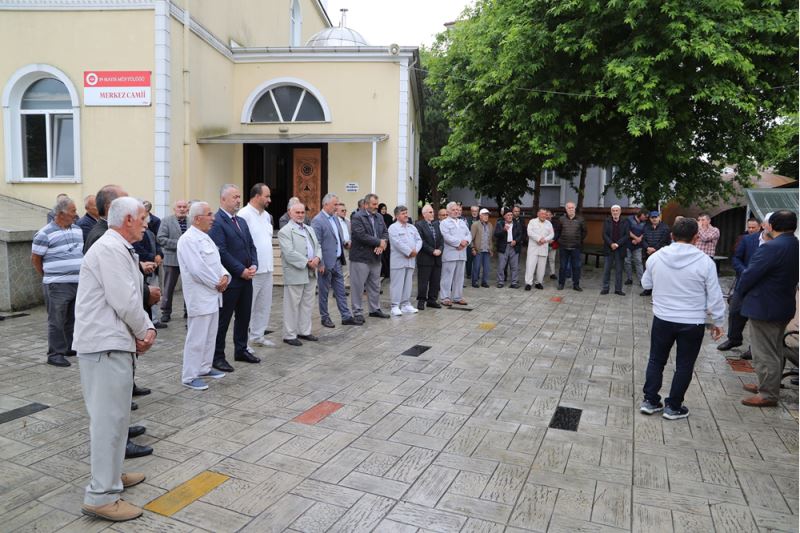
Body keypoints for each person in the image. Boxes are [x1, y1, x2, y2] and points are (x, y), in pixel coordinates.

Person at [74, 197, 156, 522]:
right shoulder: (109, 249)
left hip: (112, 344)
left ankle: (111, 477)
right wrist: (146, 329)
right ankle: (101, 496)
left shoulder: (119, 247)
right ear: (126, 221)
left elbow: (131, 294)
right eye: (142, 218)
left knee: (118, 419)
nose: (146, 223)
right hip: (104, 346)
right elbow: (125, 300)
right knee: (108, 422)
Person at [639, 217, 725, 420]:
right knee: (684, 365)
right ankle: (673, 406)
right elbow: (715, 295)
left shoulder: (656, 258)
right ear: (696, 238)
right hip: (692, 321)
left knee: (656, 360)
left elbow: (646, 284)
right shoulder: (705, 262)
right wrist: (718, 321)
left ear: (671, 235)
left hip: (663, 318)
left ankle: (650, 401)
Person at [737, 210, 799, 407]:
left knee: (764, 352)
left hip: (765, 306)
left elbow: (749, 275)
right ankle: (768, 385)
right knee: (775, 348)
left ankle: (768, 394)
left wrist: (740, 293)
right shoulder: (794, 244)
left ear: (770, 226)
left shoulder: (771, 247)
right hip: (782, 304)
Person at [177, 202, 229, 390]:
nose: (213, 218)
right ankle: (189, 375)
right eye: (209, 214)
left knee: (209, 335)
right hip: (200, 296)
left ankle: (204, 368)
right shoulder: (188, 239)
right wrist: (217, 282)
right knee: (197, 337)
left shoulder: (205, 238)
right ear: (198, 218)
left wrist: (225, 276)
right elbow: (197, 269)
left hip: (213, 295)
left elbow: (216, 263)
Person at [209, 184, 259, 371]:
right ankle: (217, 356)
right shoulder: (217, 222)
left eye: (239, 197)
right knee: (224, 320)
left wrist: (254, 265)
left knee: (244, 317)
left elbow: (251, 246)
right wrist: (240, 270)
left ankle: (241, 349)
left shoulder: (241, 221)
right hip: (231, 279)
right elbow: (221, 251)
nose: (238, 200)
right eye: (234, 197)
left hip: (247, 278)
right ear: (223, 199)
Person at [31, 196, 83, 367]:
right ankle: (54, 354)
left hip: (77, 282)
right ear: (61, 213)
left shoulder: (77, 229)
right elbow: (36, 259)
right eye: (73, 211)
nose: (76, 215)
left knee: (72, 317)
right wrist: (49, 276)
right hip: (57, 283)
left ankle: (68, 347)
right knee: (57, 319)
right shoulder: (44, 233)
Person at [237, 183, 276, 347]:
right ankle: (243, 343)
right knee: (248, 308)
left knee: (263, 305)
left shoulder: (266, 216)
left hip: (267, 268)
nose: (269, 200)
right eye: (266, 196)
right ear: (256, 196)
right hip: (252, 270)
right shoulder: (244, 215)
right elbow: (240, 243)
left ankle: (257, 336)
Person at [279, 202, 323, 345]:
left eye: (302, 212)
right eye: (297, 212)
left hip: (311, 272)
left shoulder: (309, 229)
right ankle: (289, 335)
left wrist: (317, 258)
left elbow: (318, 246)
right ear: (290, 213)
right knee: (292, 305)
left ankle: (304, 331)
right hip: (296, 272)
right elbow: (289, 253)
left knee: (307, 304)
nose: (300, 215)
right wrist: (307, 262)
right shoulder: (285, 231)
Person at [311, 193, 358, 328]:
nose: (337, 207)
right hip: (325, 263)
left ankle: (346, 316)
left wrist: (345, 243)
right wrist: (320, 263)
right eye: (335, 205)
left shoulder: (335, 218)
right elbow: (316, 243)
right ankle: (324, 317)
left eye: (338, 204)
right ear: (326, 205)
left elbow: (337, 237)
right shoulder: (317, 221)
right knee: (324, 293)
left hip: (337, 261)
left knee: (340, 291)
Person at [717, 217, 762, 354]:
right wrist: (744, 271)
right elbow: (736, 258)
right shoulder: (746, 240)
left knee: (757, 318)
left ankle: (754, 348)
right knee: (735, 311)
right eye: (749, 227)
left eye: (754, 227)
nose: (751, 230)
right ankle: (734, 339)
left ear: (761, 227)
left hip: (761, 286)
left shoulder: (771, 242)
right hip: (743, 282)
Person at [350, 193, 390, 321]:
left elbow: (385, 232)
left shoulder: (379, 217)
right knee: (358, 286)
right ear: (366, 204)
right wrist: (379, 242)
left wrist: (382, 244)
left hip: (376, 257)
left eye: (377, 204)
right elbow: (361, 235)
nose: (376, 207)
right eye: (374, 204)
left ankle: (374, 309)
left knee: (375, 285)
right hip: (361, 258)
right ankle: (357, 312)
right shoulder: (357, 217)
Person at [156, 200, 189, 322]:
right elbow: (160, 238)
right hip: (172, 258)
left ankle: (188, 310)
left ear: (188, 209)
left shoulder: (191, 221)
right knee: (168, 287)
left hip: (188, 260)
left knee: (188, 287)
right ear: (174, 209)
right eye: (179, 207)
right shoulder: (166, 221)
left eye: (184, 207)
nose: (182, 209)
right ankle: (166, 311)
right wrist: (179, 244)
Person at [132, 210, 166, 329]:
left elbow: (157, 245)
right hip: (144, 268)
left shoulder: (150, 232)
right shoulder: (135, 235)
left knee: (156, 293)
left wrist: (159, 255)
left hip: (154, 267)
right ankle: (149, 320)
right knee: (146, 295)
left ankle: (155, 319)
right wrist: (152, 257)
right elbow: (138, 249)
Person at [388, 205, 423, 315]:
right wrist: (409, 251)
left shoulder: (412, 227)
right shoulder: (393, 228)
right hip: (399, 261)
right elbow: (397, 242)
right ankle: (395, 306)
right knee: (397, 284)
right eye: (403, 213)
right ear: (397, 216)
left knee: (408, 283)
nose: (406, 215)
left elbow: (419, 240)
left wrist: (415, 251)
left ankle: (405, 304)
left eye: (406, 212)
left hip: (411, 260)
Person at [439, 201, 471, 306]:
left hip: (462, 253)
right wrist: (458, 243)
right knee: (447, 277)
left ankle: (457, 297)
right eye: (453, 210)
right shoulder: (444, 223)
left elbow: (468, 234)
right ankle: (445, 298)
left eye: (457, 209)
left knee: (460, 277)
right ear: (448, 211)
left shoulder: (462, 222)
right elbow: (446, 236)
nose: (456, 211)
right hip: (450, 254)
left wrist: (466, 242)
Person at [415, 204, 444, 310]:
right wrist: (432, 251)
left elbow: (441, 239)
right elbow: (421, 241)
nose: (433, 214)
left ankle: (432, 300)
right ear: (424, 214)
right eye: (430, 212)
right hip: (425, 258)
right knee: (423, 281)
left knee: (435, 280)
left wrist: (440, 249)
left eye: (433, 212)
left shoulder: (436, 224)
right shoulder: (419, 225)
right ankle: (421, 301)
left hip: (437, 258)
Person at [601, 205, 630, 296]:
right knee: (606, 270)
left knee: (619, 270)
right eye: (613, 210)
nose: (615, 212)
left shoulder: (625, 221)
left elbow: (626, 235)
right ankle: (605, 288)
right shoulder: (607, 221)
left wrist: (617, 244)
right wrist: (611, 244)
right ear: (611, 212)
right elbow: (604, 234)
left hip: (620, 249)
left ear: (620, 211)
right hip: (609, 248)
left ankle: (618, 289)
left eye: (617, 210)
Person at [556, 202, 586, 291]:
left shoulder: (580, 219)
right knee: (562, 266)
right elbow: (558, 231)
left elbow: (584, 232)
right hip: (563, 247)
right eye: (569, 208)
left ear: (575, 208)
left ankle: (576, 284)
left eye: (572, 207)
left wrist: (579, 240)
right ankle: (561, 283)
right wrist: (559, 240)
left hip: (576, 248)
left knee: (576, 267)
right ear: (566, 209)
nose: (570, 209)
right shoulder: (561, 219)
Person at [640, 211, 671, 296]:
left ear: (659, 217)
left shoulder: (665, 228)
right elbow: (643, 240)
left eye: (656, 217)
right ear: (650, 218)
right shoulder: (646, 227)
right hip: (647, 252)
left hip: (659, 254)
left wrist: (654, 249)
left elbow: (664, 241)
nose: (654, 219)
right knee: (647, 271)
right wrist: (647, 248)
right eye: (652, 217)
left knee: (658, 273)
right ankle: (647, 290)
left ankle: (658, 291)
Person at [524, 209, 554, 290]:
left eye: (545, 214)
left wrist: (544, 240)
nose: (543, 215)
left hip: (543, 247)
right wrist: (539, 239)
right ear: (538, 214)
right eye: (542, 214)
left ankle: (539, 282)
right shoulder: (532, 222)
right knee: (530, 265)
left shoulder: (549, 223)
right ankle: (528, 283)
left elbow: (552, 234)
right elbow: (529, 232)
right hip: (533, 247)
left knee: (542, 267)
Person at [495, 208, 524, 289]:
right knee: (501, 266)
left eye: (511, 215)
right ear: (504, 216)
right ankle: (500, 282)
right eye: (508, 215)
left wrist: (516, 241)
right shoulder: (500, 223)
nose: (510, 216)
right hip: (503, 247)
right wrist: (503, 230)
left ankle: (514, 282)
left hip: (514, 247)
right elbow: (496, 235)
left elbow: (520, 235)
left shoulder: (517, 224)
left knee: (514, 266)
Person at [469, 208, 494, 288]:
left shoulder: (490, 225)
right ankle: (475, 281)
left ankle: (484, 282)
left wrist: (491, 249)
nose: (487, 216)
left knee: (486, 268)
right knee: (476, 267)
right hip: (478, 250)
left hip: (487, 250)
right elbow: (471, 238)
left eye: (487, 215)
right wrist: (473, 248)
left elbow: (490, 238)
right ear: (480, 216)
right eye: (485, 215)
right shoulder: (475, 225)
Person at [624, 208, 648, 286]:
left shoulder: (645, 222)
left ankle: (641, 280)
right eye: (645, 216)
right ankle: (629, 279)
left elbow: (645, 232)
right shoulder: (629, 219)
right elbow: (627, 231)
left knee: (638, 262)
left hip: (638, 245)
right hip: (628, 244)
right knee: (627, 261)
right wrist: (635, 238)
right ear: (640, 214)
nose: (646, 218)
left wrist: (638, 239)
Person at [336, 202, 352, 289]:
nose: (344, 212)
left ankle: (343, 286)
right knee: (339, 269)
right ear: (337, 211)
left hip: (348, 247)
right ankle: (338, 288)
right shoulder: (334, 221)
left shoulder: (348, 221)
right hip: (339, 247)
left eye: (345, 210)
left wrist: (350, 242)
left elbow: (351, 233)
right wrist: (344, 242)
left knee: (346, 268)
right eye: (342, 210)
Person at [464, 205, 480, 278]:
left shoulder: (481, 219)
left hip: (478, 243)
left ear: (478, 212)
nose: (474, 212)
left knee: (478, 260)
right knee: (469, 260)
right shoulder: (467, 219)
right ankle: (469, 274)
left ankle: (476, 274)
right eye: (473, 211)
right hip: (469, 243)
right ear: (471, 211)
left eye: (476, 211)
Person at [545, 210, 558, 279]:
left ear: (552, 215)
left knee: (552, 259)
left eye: (549, 214)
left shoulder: (555, 223)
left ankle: (552, 273)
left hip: (553, 244)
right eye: (546, 215)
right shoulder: (543, 223)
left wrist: (553, 239)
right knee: (543, 259)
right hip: (544, 244)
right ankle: (541, 272)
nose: (548, 216)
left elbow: (557, 233)